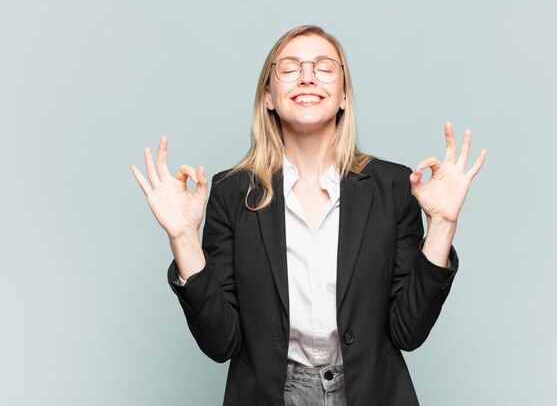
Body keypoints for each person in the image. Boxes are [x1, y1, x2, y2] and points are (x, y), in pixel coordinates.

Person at [131, 25, 486, 406]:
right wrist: (184, 237)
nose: (306, 76)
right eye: (289, 67)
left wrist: (443, 225)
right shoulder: (231, 193)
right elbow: (222, 342)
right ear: (268, 95)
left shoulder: (393, 186)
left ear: (344, 94)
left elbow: (407, 331)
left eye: (324, 66)